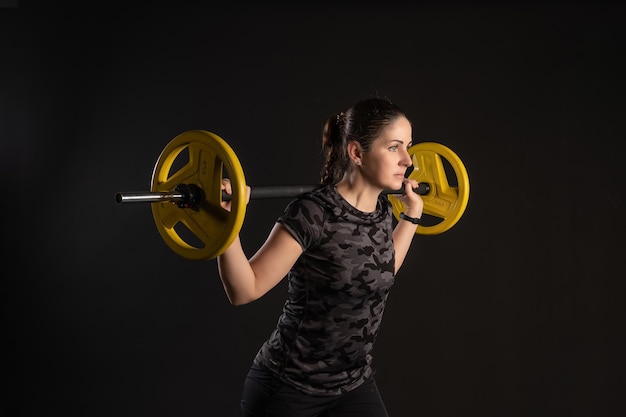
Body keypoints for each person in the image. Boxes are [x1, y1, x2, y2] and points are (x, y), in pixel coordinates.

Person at [217, 96, 424, 417]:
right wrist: (225, 225)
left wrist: (410, 217)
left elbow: (381, 269)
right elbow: (245, 289)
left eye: (408, 146)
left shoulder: (383, 210)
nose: (408, 161)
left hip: (352, 384)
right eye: (394, 147)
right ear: (356, 153)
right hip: (288, 388)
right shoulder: (312, 213)